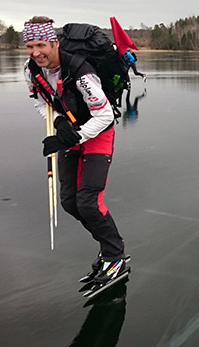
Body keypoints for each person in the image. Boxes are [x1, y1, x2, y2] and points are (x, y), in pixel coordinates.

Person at [23, 16, 127, 285]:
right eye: (30, 46)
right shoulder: (31, 70)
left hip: (97, 133)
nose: (36, 52)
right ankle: (107, 247)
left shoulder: (81, 72)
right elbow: (39, 101)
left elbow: (104, 115)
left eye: (41, 45)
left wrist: (76, 135)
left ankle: (115, 256)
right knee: (69, 202)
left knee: (88, 202)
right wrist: (58, 122)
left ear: (54, 43)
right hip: (71, 132)